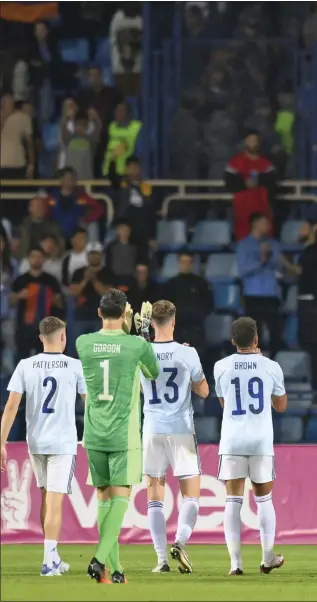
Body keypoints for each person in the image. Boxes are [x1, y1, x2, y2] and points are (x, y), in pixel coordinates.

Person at [76, 289, 159, 584]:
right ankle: (99, 560)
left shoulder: (83, 343)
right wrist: (142, 332)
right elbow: (153, 372)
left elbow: (108, 348)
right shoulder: (136, 344)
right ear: (125, 314)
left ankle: (116, 570)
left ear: (99, 313)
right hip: (123, 434)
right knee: (121, 498)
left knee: (103, 498)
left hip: (94, 432)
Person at [0, 316, 86, 576]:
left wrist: (1, 443)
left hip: (36, 441)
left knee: (46, 498)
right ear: (63, 336)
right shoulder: (74, 366)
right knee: (55, 501)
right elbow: (90, 403)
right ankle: (49, 562)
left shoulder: (26, 365)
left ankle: (53, 556)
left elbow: (11, 406)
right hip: (62, 441)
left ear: (40, 337)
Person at [214, 316, 287, 575]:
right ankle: (267, 557)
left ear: (233, 341)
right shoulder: (271, 366)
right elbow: (281, 406)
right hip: (260, 440)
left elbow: (224, 404)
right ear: (256, 339)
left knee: (233, 500)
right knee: (264, 499)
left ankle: (235, 564)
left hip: (233, 439)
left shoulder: (220, 366)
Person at [139, 300, 209, 573]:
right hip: (181, 428)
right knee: (191, 496)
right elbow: (203, 391)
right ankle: (179, 541)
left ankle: (161, 561)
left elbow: (139, 386)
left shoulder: (141, 352)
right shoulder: (186, 353)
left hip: (153, 428)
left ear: (152, 323)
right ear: (174, 321)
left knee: (154, 497)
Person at [236, 213, 282, 358]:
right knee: (255, 334)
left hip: (271, 294)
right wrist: (261, 261)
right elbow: (243, 270)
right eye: (264, 222)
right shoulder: (244, 245)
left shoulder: (273, 244)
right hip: (253, 294)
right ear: (255, 224)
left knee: (276, 332)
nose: (268, 226)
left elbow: (279, 266)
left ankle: (274, 363)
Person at [11, 246, 64, 361]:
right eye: (33, 256)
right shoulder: (20, 280)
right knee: (22, 359)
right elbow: (10, 301)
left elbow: (60, 303)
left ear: (44, 259)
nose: (36, 259)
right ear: (28, 259)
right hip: (24, 327)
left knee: (46, 361)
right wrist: (19, 296)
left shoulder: (51, 279)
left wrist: (51, 299)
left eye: (39, 257)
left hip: (46, 328)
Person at [224, 130, 276, 240]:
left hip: (263, 210)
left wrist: (258, 181)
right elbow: (229, 183)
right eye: (250, 140)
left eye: (255, 141)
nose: (253, 143)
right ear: (245, 142)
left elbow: (272, 183)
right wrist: (244, 183)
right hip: (242, 212)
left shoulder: (266, 164)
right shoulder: (235, 163)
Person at [163, 253, 211, 354]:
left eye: (189, 262)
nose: (186, 264)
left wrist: (197, 317)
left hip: (195, 327)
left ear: (192, 264)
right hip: (176, 327)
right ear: (179, 263)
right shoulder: (170, 284)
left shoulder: (201, 283)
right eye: (183, 261)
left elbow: (209, 305)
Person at [69, 243, 115, 340]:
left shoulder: (108, 272)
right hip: (81, 315)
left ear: (101, 255)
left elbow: (107, 293)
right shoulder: (79, 272)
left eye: (96, 254)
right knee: (80, 348)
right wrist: (85, 280)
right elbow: (73, 292)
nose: (93, 257)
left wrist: (94, 279)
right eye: (91, 254)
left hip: (101, 316)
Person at [47, 167, 104, 241]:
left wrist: (87, 219)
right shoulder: (52, 197)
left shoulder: (82, 195)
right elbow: (45, 212)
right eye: (68, 178)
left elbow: (98, 208)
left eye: (73, 178)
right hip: (57, 232)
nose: (71, 180)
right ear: (61, 180)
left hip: (78, 230)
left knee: (93, 225)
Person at [296, 222, 317, 392]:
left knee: (312, 347)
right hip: (309, 304)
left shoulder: (310, 251)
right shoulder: (309, 251)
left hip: (311, 305)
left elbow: (298, 272)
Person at [106, 219, 148, 291]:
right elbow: (108, 264)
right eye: (122, 229)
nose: (124, 232)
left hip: (131, 279)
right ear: (117, 230)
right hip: (115, 279)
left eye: (127, 230)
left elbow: (140, 263)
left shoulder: (136, 246)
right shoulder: (111, 247)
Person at [17, 196, 64, 260]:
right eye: (36, 206)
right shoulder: (22, 226)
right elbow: (17, 249)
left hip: (48, 260)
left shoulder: (53, 226)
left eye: (41, 206)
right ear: (30, 208)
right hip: (27, 260)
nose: (39, 208)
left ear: (46, 209)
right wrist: (40, 243)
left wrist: (53, 245)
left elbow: (61, 246)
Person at [0, 92, 34, 179]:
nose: (9, 105)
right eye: (6, 103)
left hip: (18, 164)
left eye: (11, 103)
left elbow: (29, 143)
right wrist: (4, 117)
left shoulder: (23, 117)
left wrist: (31, 164)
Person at [102, 101, 142, 177]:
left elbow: (140, 151)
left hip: (126, 172)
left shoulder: (137, 127)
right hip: (108, 171)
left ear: (128, 113)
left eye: (120, 111)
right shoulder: (111, 126)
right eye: (116, 110)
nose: (117, 113)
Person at [61, 109, 101, 180]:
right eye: (78, 124)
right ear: (75, 124)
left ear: (87, 125)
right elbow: (63, 129)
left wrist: (96, 119)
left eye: (83, 124)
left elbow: (98, 130)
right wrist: (67, 118)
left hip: (86, 179)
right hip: (70, 179)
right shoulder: (69, 138)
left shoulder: (91, 140)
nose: (80, 127)